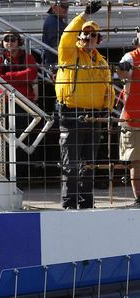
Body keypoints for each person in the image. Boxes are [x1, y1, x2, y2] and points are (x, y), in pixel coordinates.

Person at [55, 1, 114, 209]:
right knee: (70, 163)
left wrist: (106, 111)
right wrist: (84, 15)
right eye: (84, 34)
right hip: (72, 114)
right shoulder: (69, 54)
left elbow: (109, 89)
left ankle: (87, 202)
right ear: (78, 38)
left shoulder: (102, 62)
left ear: (99, 39)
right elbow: (65, 37)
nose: (87, 38)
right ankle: (70, 203)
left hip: (95, 116)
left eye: (92, 35)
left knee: (89, 164)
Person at [117, 31, 140, 207]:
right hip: (134, 119)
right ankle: (139, 200)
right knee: (137, 162)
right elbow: (123, 72)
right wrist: (123, 68)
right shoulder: (131, 57)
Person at [0, 32, 38, 104]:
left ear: (19, 42)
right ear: (2, 42)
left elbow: (32, 74)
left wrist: (7, 76)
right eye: (6, 39)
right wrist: (22, 79)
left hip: (24, 99)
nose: (9, 42)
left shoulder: (28, 58)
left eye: (12, 39)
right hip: (2, 99)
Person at [42, 0, 69, 68]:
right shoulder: (53, 22)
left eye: (67, 6)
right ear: (54, 7)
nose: (66, 9)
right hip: (56, 66)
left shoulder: (56, 20)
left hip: (58, 64)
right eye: (63, 6)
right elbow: (57, 46)